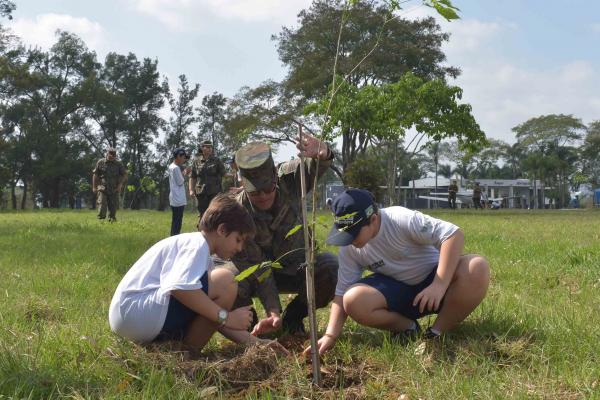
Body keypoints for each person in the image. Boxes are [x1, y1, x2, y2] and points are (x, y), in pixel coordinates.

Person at [303, 189, 490, 356]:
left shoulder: (400, 219)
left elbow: (453, 234)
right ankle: (408, 328)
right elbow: (341, 293)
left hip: (437, 285)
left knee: (477, 266)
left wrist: (439, 284)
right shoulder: (350, 249)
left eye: (354, 233)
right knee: (353, 299)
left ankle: (436, 333)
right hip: (399, 293)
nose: (350, 240)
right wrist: (330, 336)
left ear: (373, 219)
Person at [108, 195, 285, 351]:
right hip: (138, 315)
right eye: (238, 240)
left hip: (133, 320)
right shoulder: (197, 244)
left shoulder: (196, 250)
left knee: (215, 289)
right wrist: (226, 316)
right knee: (226, 281)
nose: (239, 248)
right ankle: (187, 354)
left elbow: (213, 319)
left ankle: (182, 352)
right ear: (222, 230)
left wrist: (257, 343)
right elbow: (180, 288)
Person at [225, 134, 339, 335]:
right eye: (254, 193)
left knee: (330, 267)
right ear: (243, 185)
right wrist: (272, 311)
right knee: (224, 280)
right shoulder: (236, 212)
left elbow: (316, 165)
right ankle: (251, 326)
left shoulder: (290, 180)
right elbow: (258, 268)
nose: (263, 196)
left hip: (296, 269)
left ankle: (293, 317)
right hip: (256, 275)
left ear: (275, 178)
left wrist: (324, 154)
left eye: (268, 189)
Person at [189, 140, 226, 218]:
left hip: (215, 192)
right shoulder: (196, 161)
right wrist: (191, 190)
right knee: (202, 214)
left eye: (211, 147)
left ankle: (214, 229)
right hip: (201, 193)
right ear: (202, 148)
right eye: (207, 147)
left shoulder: (216, 160)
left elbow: (224, 174)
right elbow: (192, 177)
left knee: (215, 213)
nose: (209, 149)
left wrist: (236, 173)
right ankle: (202, 229)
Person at [92, 148, 127, 222]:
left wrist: (120, 185)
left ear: (115, 156)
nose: (111, 157)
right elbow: (95, 175)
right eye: (110, 155)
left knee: (113, 208)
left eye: (113, 156)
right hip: (102, 187)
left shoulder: (118, 164)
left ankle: (112, 221)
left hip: (114, 188)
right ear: (107, 154)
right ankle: (101, 221)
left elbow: (124, 175)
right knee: (102, 205)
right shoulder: (101, 162)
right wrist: (94, 187)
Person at [168, 148, 191, 236]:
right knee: (177, 222)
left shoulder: (171, 166)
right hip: (178, 199)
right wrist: (186, 172)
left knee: (175, 220)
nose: (184, 160)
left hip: (174, 198)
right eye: (184, 157)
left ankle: (173, 236)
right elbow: (180, 182)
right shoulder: (176, 168)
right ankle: (174, 237)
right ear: (178, 156)